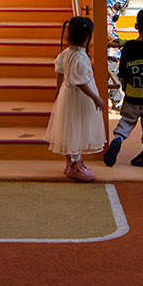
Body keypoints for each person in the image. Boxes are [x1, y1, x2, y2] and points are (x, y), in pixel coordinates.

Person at [46, 15, 106, 181]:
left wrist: (59, 89)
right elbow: (80, 82)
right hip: (79, 97)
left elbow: (60, 70)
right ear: (87, 38)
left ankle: (71, 161)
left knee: (71, 127)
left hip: (68, 94)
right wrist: (96, 98)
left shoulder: (66, 53)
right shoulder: (79, 57)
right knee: (77, 128)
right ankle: (75, 164)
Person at [104, 5, 143, 167]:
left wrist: (124, 86)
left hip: (132, 93)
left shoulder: (128, 46)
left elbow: (122, 71)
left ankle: (118, 138)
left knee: (128, 119)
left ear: (137, 26)